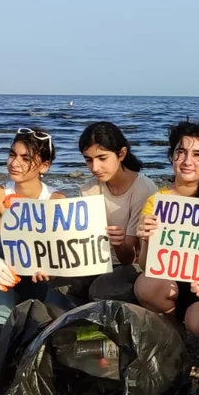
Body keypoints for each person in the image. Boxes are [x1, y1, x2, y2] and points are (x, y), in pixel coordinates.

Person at [133, 121, 199, 336]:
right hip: (173, 282)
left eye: (198, 155)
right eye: (181, 152)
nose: (187, 161)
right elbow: (144, 264)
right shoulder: (157, 201)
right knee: (145, 285)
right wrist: (147, 239)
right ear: (171, 156)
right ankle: (173, 327)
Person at [0, 128, 65, 323]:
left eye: (26, 158)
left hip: (43, 281)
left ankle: (48, 313)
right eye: (12, 154)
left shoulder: (55, 199)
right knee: (0, 243)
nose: (14, 163)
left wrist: (49, 266)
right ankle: (0, 316)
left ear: (44, 166)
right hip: (9, 277)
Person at [68, 121, 158, 302]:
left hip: (132, 266)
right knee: (62, 284)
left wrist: (119, 242)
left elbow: (130, 257)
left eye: (102, 158)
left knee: (101, 290)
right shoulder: (87, 190)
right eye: (88, 160)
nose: (95, 167)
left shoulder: (143, 190)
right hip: (95, 262)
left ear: (121, 154)